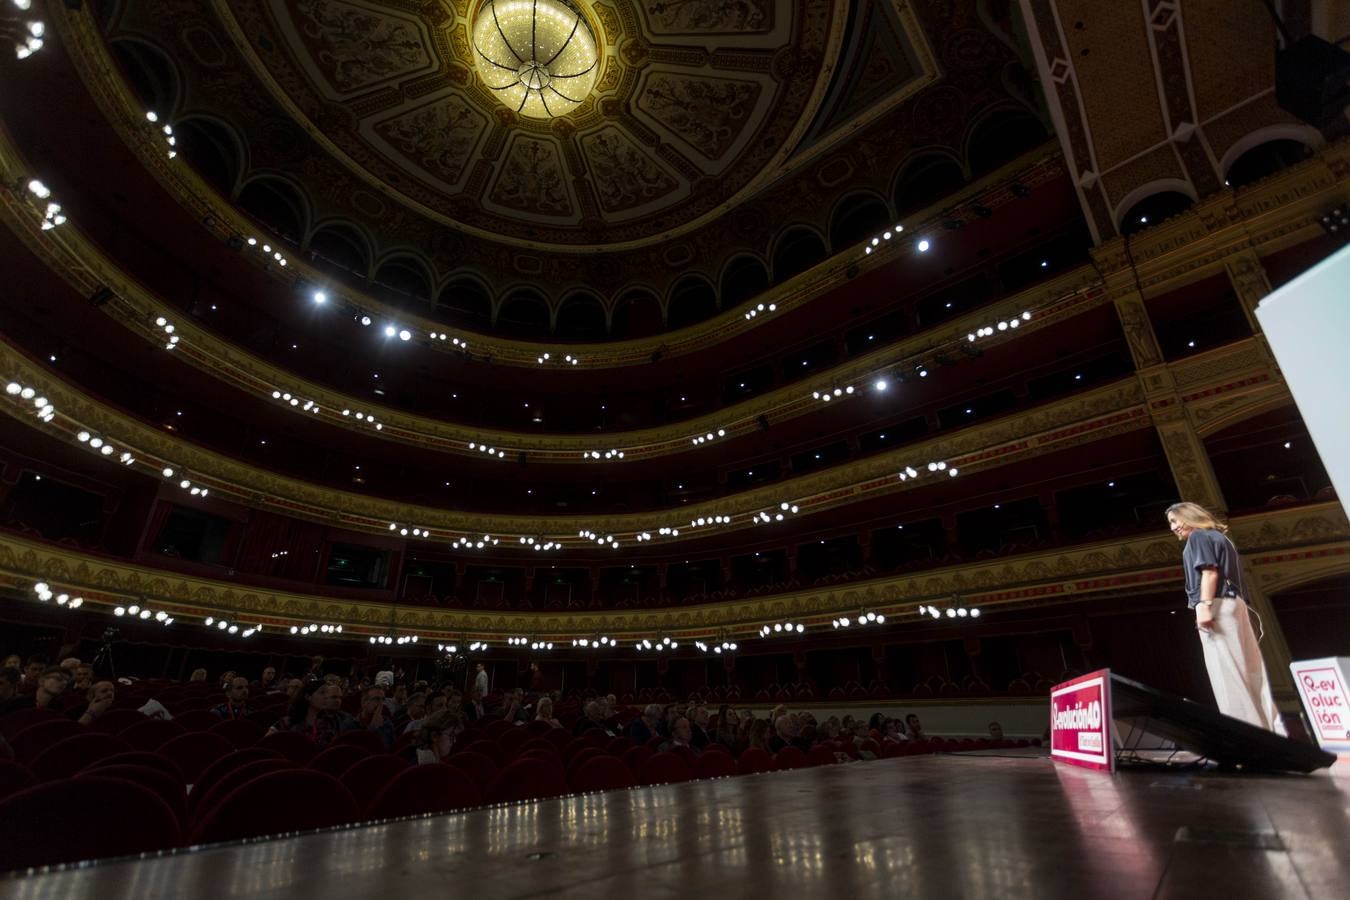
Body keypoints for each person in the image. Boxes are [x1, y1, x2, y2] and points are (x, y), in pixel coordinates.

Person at [1167, 501, 1285, 734]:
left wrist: (1204, 604)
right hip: (1235, 604)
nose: (1172, 527)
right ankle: (1270, 733)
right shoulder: (1220, 538)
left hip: (1217, 605)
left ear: (1188, 516)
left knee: (1228, 675)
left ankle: (1245, 737)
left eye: (1174, 520)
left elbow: (1209, 572)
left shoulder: (1198, 537)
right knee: (1252, 672)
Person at [269, 681, 358, 748]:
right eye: (322, 692)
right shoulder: (287, 722)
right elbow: (266, 744)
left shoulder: (331, 724)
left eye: (327, 693)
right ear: (308, 696)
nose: (327, 696)